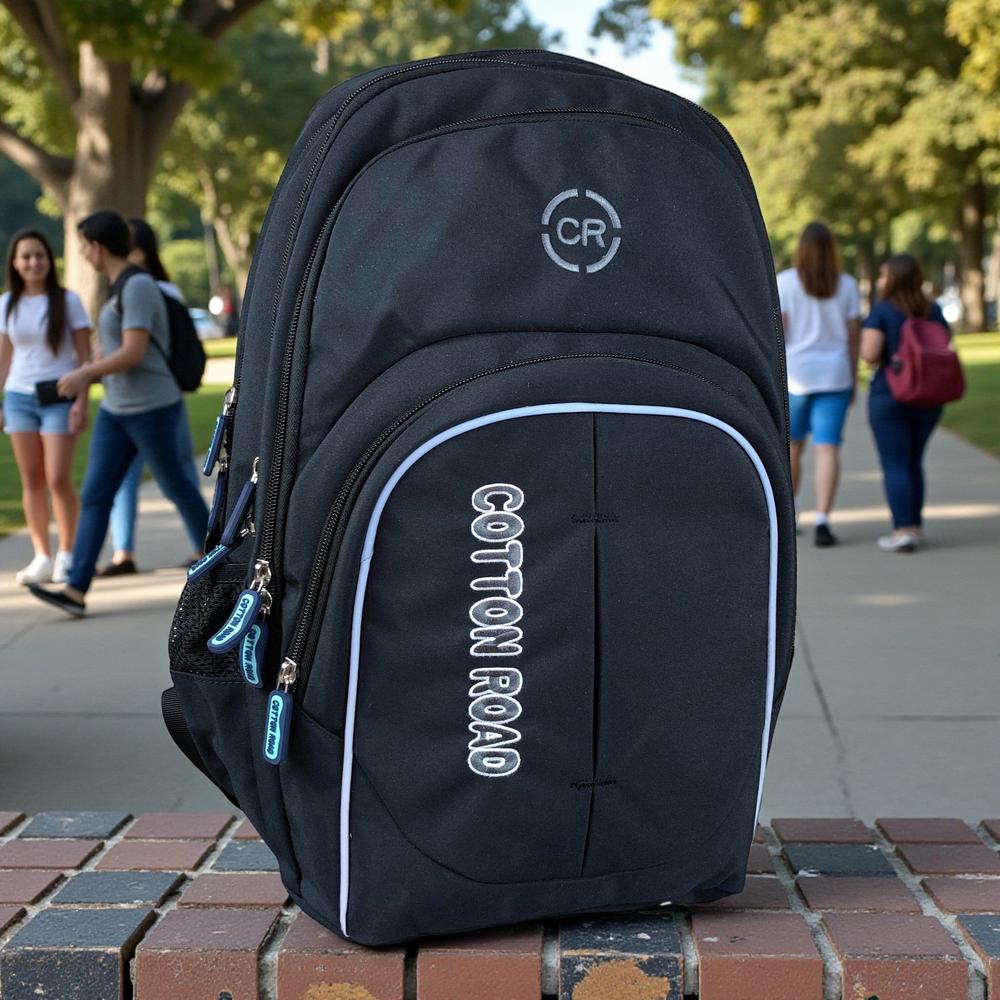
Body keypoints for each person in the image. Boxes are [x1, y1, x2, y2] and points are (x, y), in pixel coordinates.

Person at [27, 210, 208, 617]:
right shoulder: (117, 286)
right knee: (96, 495)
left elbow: (134, 351)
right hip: (117, 409)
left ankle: (222, 565)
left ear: (97, 247)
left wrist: (84, 374)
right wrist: (89, 374)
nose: (83, 254)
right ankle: (75, 589)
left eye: (84, 246)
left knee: (177, 487)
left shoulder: (138, 284)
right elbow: (114, 347)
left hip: (151, 408)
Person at [97, 217, 196, 576]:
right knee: (125, 478)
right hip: (125, 401)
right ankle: (123, 551)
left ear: (141, 251)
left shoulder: (157, 290)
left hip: (160, 399)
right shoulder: (120, 290)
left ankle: (203, 546)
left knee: (179, 474)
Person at [0, 229, 92, 585]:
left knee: (57, 477)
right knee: (32, 479)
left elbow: (84, 358)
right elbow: (4, 358)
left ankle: (67, 554)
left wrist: (81, 402)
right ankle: (41, 555)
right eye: (25, 256)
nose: (33, 262)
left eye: (39, 255)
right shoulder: (7, 303)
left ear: (48, 260)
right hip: (19, 398)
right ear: (14, 263)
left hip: (59, 397)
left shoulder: (68, 301)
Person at [776, 222, 861, 547]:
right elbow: (853, 336)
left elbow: (779, 335)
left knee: (792, 447)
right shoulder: (847, 285)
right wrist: (853, 378)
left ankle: (791, 513)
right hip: (835, 374)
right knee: (828, 448)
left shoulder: (785, 282)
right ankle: (823, 518)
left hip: (796, 377)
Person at [861, 254, 949, 552]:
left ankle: (903, 530)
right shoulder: (933, 309)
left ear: (894, 278)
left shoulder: (883, 310)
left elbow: (870, 354)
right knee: (913, 462)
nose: (880, 281)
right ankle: (915, 526)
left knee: (895, 464)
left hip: (891, 395)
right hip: (929, 396)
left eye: (883, 275)